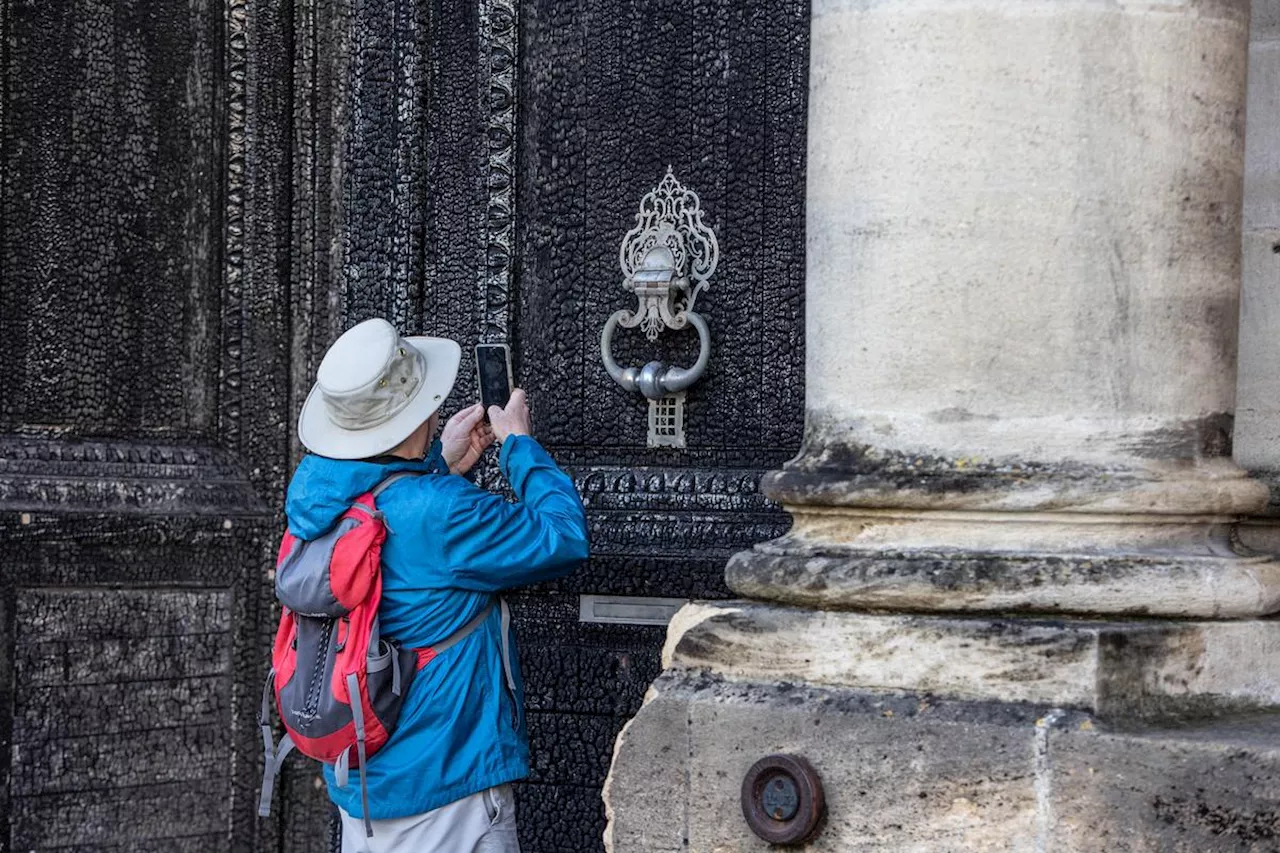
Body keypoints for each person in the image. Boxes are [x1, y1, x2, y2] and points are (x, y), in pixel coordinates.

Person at [285, 317, 589, 852]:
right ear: (418, 409)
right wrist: (519, 445)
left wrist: (440, 465)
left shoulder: (316, 503)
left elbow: (397, 532)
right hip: (448, 793)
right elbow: (562, 537)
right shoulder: (441, 512)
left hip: (365, 796)